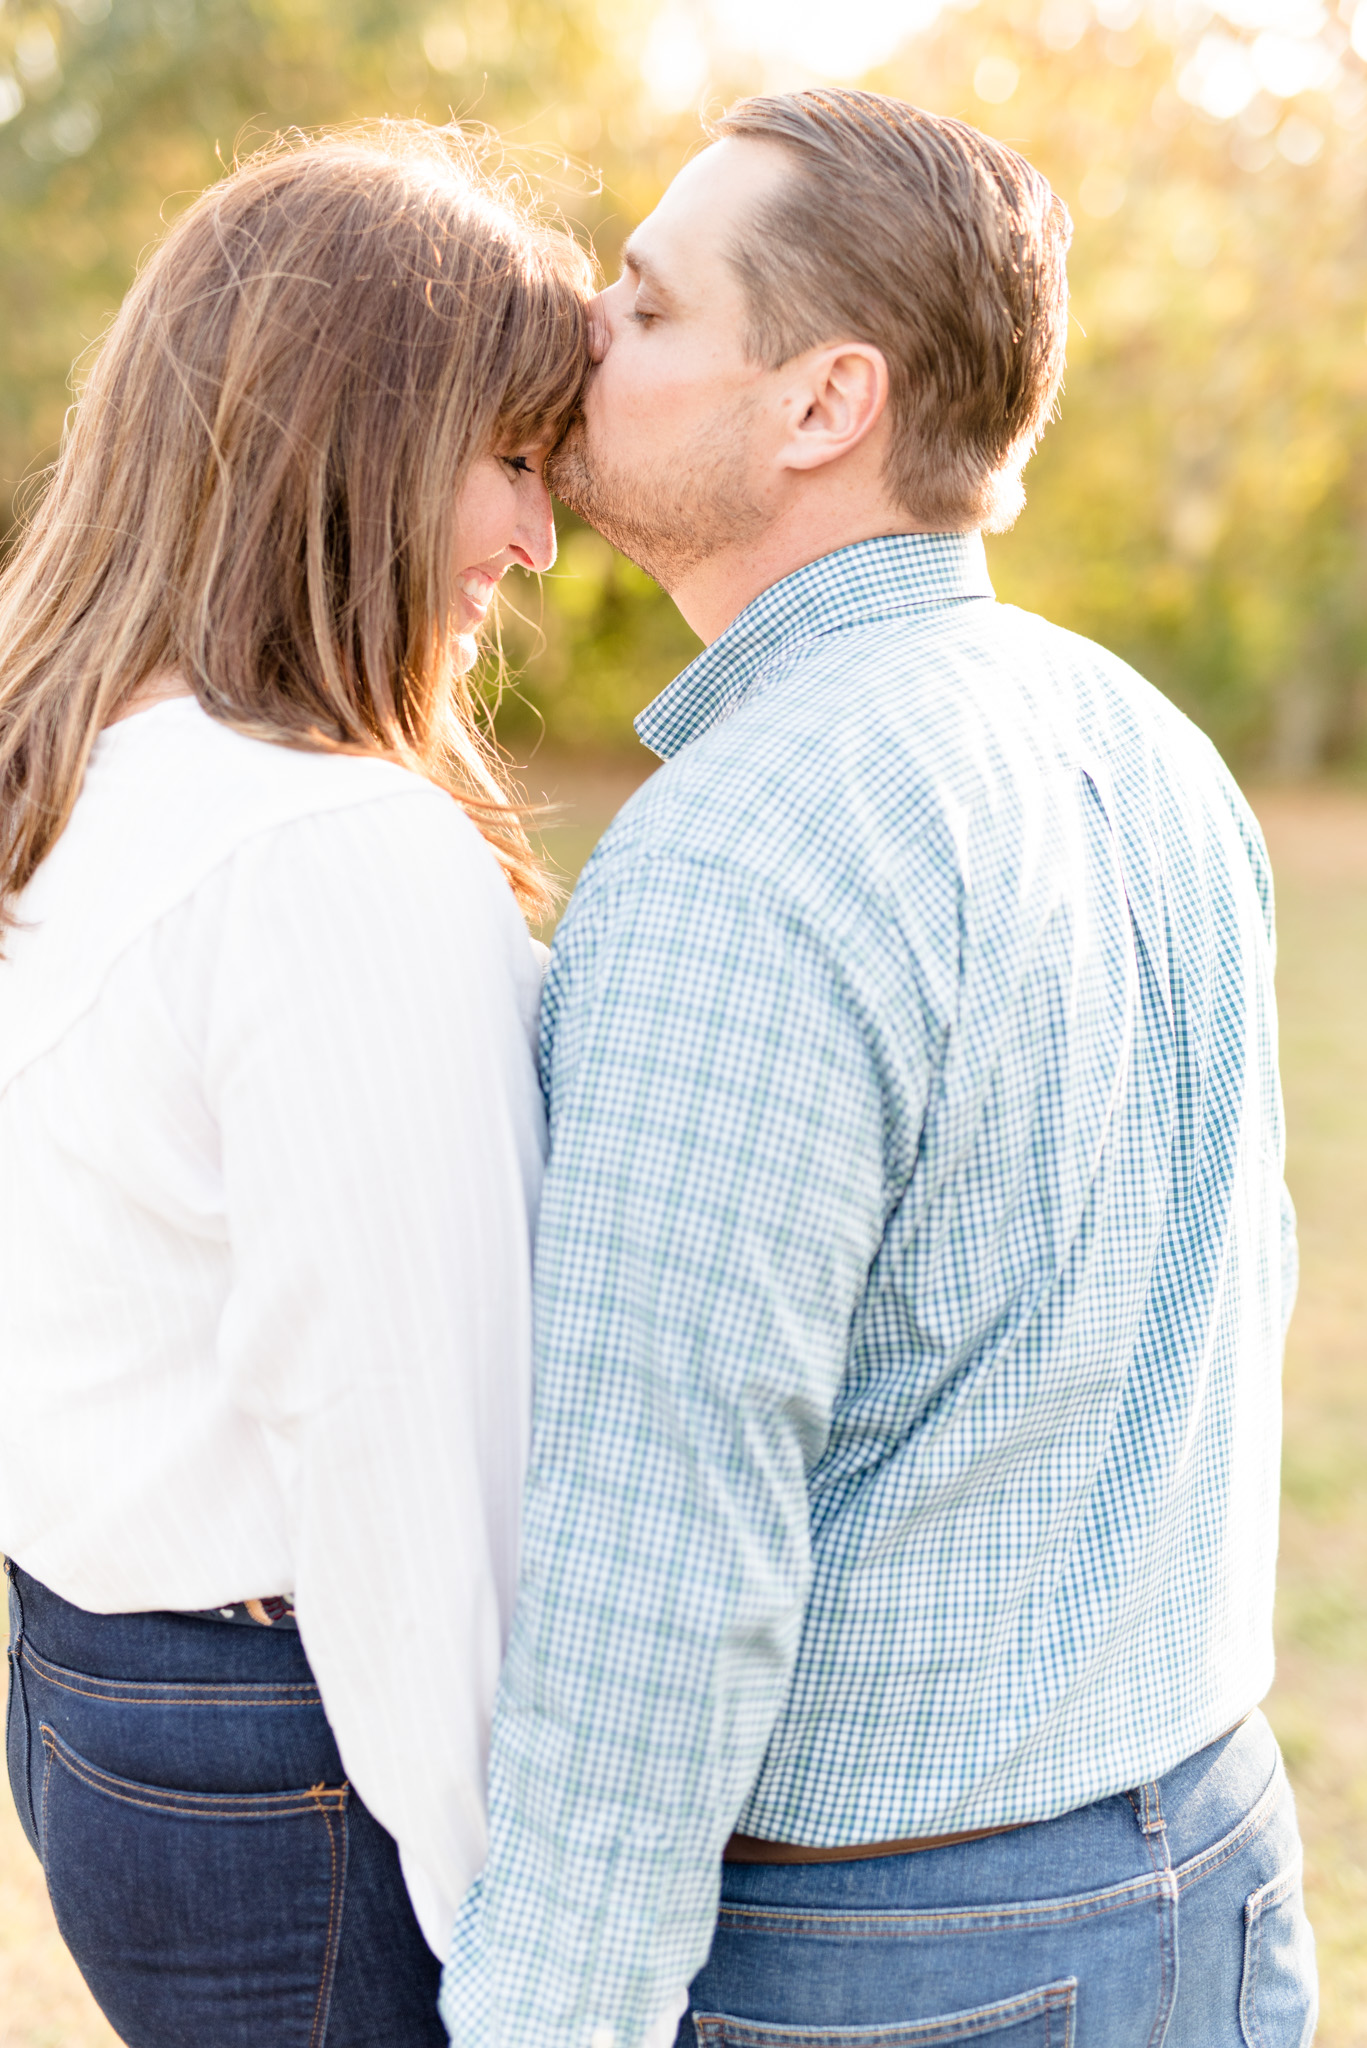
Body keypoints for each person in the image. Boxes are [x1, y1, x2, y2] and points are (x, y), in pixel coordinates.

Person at [440, 89, 1316, 2047]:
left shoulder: (739, 849)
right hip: (1213, 1865)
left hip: (902, 1961)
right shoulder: (1145, 738)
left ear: (823, 401)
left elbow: (662, 1555)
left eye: (652, 308)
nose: (586, 330)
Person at [0, 123, 589, 2045]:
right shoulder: (330, 853)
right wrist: (533, 1957)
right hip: (305, 1762)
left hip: (97, 1689)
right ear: (355, 439)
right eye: (510, 456)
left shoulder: (76, 768)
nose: (539, 538)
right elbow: (405, 1465)